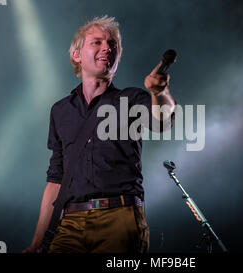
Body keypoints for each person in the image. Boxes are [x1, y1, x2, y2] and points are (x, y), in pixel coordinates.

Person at [23, 15, 176, 253]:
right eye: (97, 42)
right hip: (70, 223)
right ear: (77, 55)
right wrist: (37, 241)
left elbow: (163, 121)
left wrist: (161, 92)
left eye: (112, 44)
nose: (107, 47)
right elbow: (55, 179)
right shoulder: (60, 110)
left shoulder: (131, 99)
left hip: (120, 218)